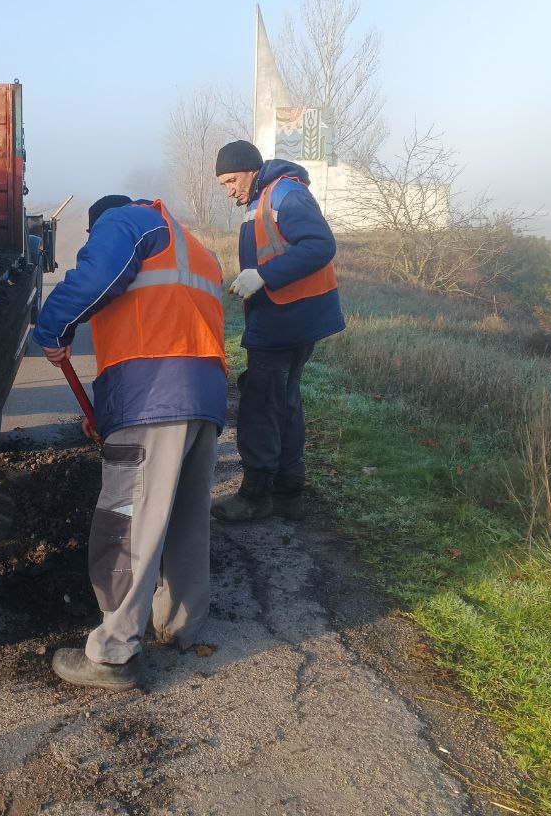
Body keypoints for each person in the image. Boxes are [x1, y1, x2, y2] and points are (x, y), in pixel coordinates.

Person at [32, 194, 227, 690]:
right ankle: (180, 626)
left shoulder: (126, 222)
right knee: (184, 516)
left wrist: (54, 327)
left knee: (129, 522)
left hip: (155, 397)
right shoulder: (194, 248)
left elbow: (98, 279)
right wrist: (111, 416)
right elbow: (160, 322)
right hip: (202, 398)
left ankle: (113, 653)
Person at [211, 139, 344, 522]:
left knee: (260, 406)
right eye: (223, 184)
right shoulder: (261, 197)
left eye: (231, 180)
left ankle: (256, 496)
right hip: (289, 318)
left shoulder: (285, 193)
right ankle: (289, 493)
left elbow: (320, 245)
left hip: (286, 320)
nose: (229, 190)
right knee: (284, 403)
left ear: (252, 170)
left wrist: (264, 276)